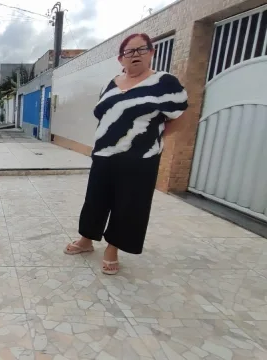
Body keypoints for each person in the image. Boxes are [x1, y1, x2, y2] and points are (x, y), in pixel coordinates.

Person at [63, 33, 188, 275]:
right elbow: (105, 117)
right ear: (121, 58)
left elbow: (180, 119)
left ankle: (112, 249)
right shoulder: (111, 84)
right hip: (104, 154)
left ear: (152, 53)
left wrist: (149, 140)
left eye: (141, 49)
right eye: (129, 52)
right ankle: (86, 240)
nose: (135, 55)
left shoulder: (165, 83)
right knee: (95, 199)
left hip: (140, 159)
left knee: (128, 205)